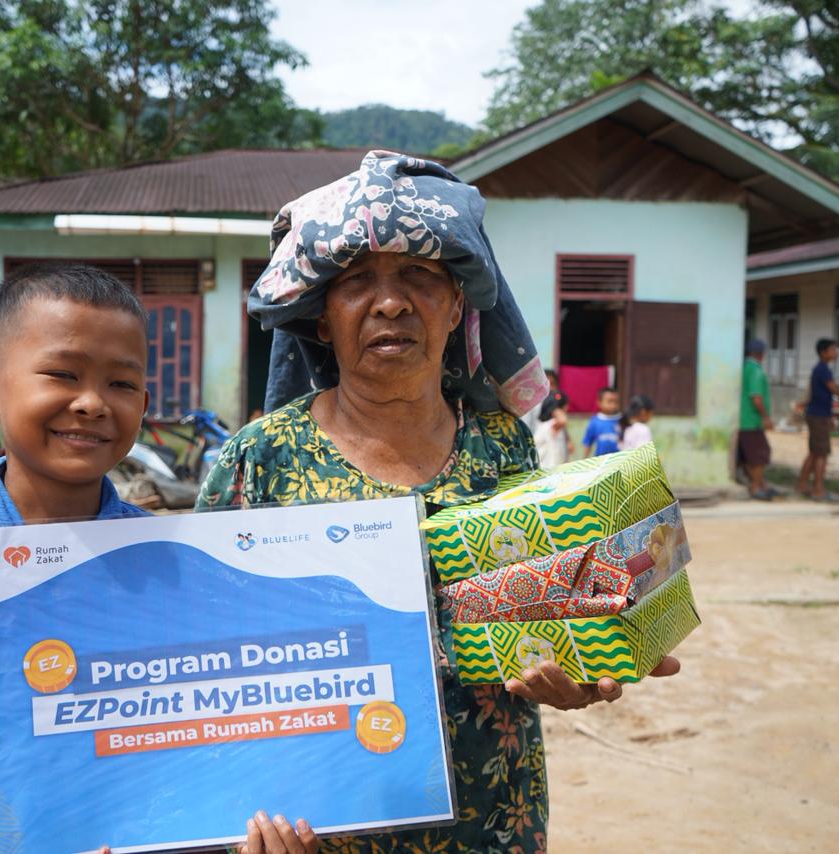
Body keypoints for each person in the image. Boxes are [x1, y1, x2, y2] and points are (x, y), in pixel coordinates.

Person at [200, 151, 678, 852]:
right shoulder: (260, 460)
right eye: (356, 281)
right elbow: (207, 655)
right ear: (321, 317)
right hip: (320, 825)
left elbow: (551, 604)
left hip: (493, 815)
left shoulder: (502, 444)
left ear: (457, 306)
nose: (390, 303)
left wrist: (592, 656)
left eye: (420, 276)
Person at [0, 265, 311, 853]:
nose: (92, 403)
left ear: (144, 404)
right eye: (62, 374)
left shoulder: (167, 556)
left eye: (121, 384)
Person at [797, 338, 839, 500]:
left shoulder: (819, 369)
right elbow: (836, 390)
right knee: (822, 454)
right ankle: (818, 489)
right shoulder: (823, 370)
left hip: (817, 414)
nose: (836, 353)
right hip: (819, 416)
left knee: (814, 452)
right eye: (833, 350)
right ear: (824, 353)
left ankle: (802, 485)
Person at [738, 339, 776, 501]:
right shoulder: (756, 371)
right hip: (752, 421)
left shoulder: (745, 368)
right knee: (760, 456)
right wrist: (766, 417)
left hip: (744, 420)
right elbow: (757, 398)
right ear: (761, 354)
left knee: (750, 455)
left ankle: (761, 484)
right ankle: (755, 487)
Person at [532, 392, 571, 468]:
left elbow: (571, 448)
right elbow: (563, 420)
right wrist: (557, 411)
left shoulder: (556, 427)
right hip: (547, 469)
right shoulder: (548, 425)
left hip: (554, 469)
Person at [582, 387, 622, 457]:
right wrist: (584, 458)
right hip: (600, 459)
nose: (613, 405)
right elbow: (588, 442)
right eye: (609, 401)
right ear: (599, 402)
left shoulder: (622, 420)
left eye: (616, 402)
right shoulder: (595, 421)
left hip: (619, 459)